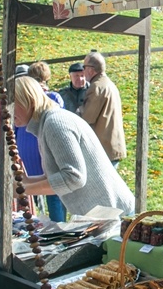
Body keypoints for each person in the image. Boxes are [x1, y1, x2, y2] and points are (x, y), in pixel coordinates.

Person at [14, 76, 134, 216]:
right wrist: (27, 181)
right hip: (104, 216)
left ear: (29, 101)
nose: (6, 111)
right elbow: (56, 177)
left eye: (12, 104)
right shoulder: (47, 123)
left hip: (117, 217)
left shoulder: (55, 123)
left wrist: (24, 190)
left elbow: (74, 177)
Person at [15, 63, 68, 222]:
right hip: (36, 152)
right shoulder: (50, 102)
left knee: (50, 194)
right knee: (50, 192)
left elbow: (69, 178)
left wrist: (25, 188)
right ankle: (55, 225)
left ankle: (55, 224)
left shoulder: (51, 115)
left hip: (29, 149)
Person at [79, 51, 126, 166]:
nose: (83, 71)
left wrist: (78, 110)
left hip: (104, 150)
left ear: (90, 69)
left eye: (84, 67)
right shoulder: (109, 84)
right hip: (112, 146)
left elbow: (87, 118)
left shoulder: (96, 87)